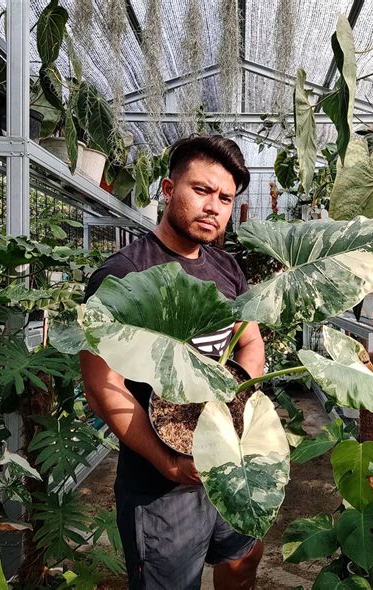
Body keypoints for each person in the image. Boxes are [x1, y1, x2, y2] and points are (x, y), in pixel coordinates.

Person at [80, 135, 265, 590]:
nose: (214, 207)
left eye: (225, 198)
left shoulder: (226, 268)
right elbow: (103, 385)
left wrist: (238, 403)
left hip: (229, 459)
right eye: (201, 190)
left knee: (244, 556)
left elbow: (250, 341)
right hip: (163, 484)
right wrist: (167, 463)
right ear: (167, 189)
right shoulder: (123, 274)